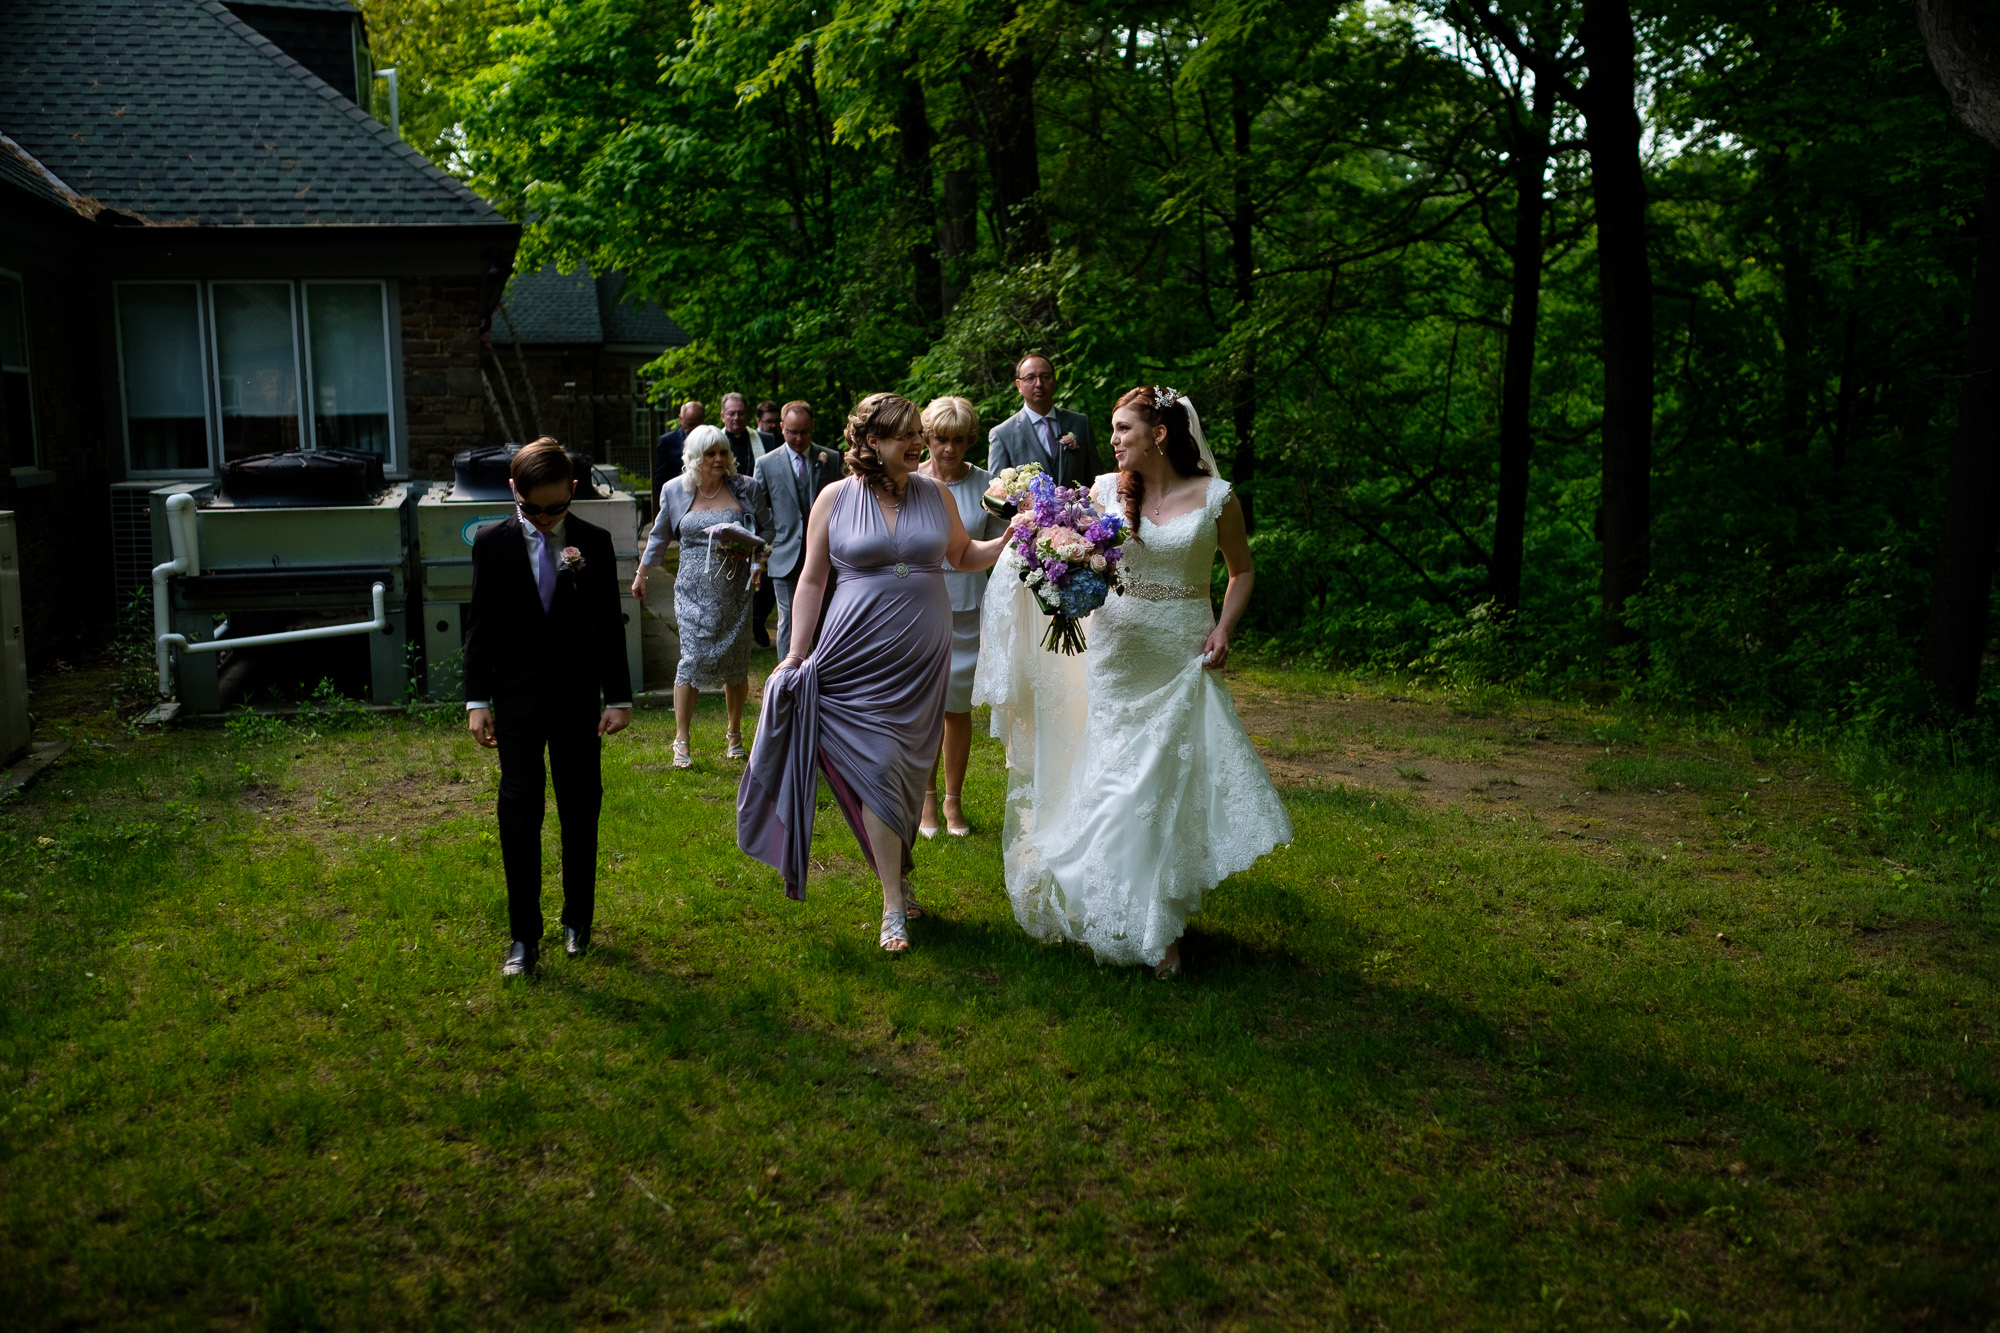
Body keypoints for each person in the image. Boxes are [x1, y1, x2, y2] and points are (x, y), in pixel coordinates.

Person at [975, 386, 1291, 979]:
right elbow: (1054, 543)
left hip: (1181, 651)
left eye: (1124, 429)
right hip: (1116, 651)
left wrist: (1225, 628)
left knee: (1163, 787)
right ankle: (1117, 907)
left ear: (1161, 434)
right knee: (1120, 782)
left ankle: (1158, 919)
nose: (1114, 439)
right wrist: (1051, 562)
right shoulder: (1099, 492)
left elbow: (1242, 570)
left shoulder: (1217, 498)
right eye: (1115, 431)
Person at [738, 392, 1010, 951]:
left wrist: (1012, 539)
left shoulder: (937, 494)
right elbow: (812, 580)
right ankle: (893, 904)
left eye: (919, 434)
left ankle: (898, 872)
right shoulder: (834, 498)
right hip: (854, 653)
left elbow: (962, 556)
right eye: (906, 435)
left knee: (908, 777)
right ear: (871, 441)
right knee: (880, 767)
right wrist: (795, 653)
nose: (918, 444)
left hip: (922, 658)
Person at [464, 438, 634, 977]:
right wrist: (476, 701)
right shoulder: (492, 544)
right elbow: (481, 627)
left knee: (580, 805)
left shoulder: (594, 543)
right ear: (514, 492)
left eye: (555, 508)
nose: (542, 519)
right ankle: (523, 936)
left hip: (576, 696)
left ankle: (577, 919)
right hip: (514, 698)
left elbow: (609, 624)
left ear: (573, 493)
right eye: (530, 508)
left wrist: (619, 696)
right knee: (519, 809)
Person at [632, 424, 773, 768]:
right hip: (692, 587)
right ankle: (681, 739)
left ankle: (735, 734)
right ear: (695, 456)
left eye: (723, 452)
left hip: (734, 586)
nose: (718, 459)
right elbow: (660, 536)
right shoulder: (675, 490)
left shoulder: (745, 488)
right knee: (691, 660)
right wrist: (642, 574)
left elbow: (767, 529)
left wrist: (755, 554)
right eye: (710, 453)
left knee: (737, 664)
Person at [916, 396, 1006, 838]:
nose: (948, 449)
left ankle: (953, 801)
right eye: (939, 439)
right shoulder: (908, 482)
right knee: (923, 706)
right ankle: (925, 801)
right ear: (926, 438)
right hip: (916, 608)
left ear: (970, 439)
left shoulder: (991, 486)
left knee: (956, 707)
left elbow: (999, 550)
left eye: (957, 440)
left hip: (968, 605)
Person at [752, 400, 843, 660]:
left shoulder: (830, 458)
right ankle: (788, 681)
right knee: (790, 619)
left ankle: (822, 678)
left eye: (804, 431)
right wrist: (763, 548)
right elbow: (758, 510)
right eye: (792, 432)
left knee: (825, 618)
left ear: (812, 427)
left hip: (825, 553)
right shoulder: (767, 463)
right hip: (785, 554)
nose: (799, 438)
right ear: (782, 428)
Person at [986, 354, 1100, 487]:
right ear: (1019, 385)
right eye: (1030, 378)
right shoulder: (1002, 435)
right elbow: (997, 495)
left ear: (1054, 380)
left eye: (1045, 377)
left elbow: (1095, 479)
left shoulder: (1080, 423)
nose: (1039, 384)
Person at [751, 400, 785, 644]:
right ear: (758, 421)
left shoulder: (784, 441)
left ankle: (758, 619)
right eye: (767, 421)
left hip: (783, 522)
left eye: (775, 421)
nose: (772, 426)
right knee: (763, 576)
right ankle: (756, 620)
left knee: (774, 576)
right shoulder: (756, 445)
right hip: (761, 520)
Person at [652, 400, 705, 505]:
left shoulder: (710, 440)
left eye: (698, 425)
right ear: (681, 419)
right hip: (678, 501)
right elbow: (659, 480)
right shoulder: (668, 442)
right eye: (690, 425)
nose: (694, 430)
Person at [719, 392, 767, 476]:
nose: (736, 418)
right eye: (731, 414)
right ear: (723, 416)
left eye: (741, 413)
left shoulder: (766, 440)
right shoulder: (714, 442)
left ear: (747, 415)